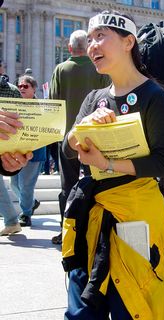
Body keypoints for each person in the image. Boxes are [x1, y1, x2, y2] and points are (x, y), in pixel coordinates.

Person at [62, 10, 164, 320]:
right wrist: (83, 128)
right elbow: (67, 149)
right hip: (91, 214)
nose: (92, 46)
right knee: (82, 308)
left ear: (129, 41)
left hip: (136, 220)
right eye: (89, 39)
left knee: (132, 304)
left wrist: (108, 162)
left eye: (101, 36)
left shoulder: (154, 96)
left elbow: (163, 162)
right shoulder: (94, 98)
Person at [49, 29, 110, 244]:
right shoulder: (99, 70)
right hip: (94, 138)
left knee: (68, 186)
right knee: (92, 183)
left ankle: (67, 232)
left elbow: (53, 103)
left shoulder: (60, 69)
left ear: (69, 48)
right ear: (88, 47)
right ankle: (89, 229)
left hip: (67, 138)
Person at [10, 75, 46, 227]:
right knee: (14, 185)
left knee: (26, 185)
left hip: (34, 153)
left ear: (33, 89)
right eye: (20, 86)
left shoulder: (41, 108)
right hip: (16, 151)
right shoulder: (15, 106)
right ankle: (31, 203)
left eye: (26, 86)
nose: (22, 88)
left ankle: (26, 213)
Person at [0, 74, 33, 235]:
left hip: (16, 151)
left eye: (26, 86)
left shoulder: (11, 91)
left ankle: (19, 216)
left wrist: (6, 164)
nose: (22, 89)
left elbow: (19, 127)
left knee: (22, 184)